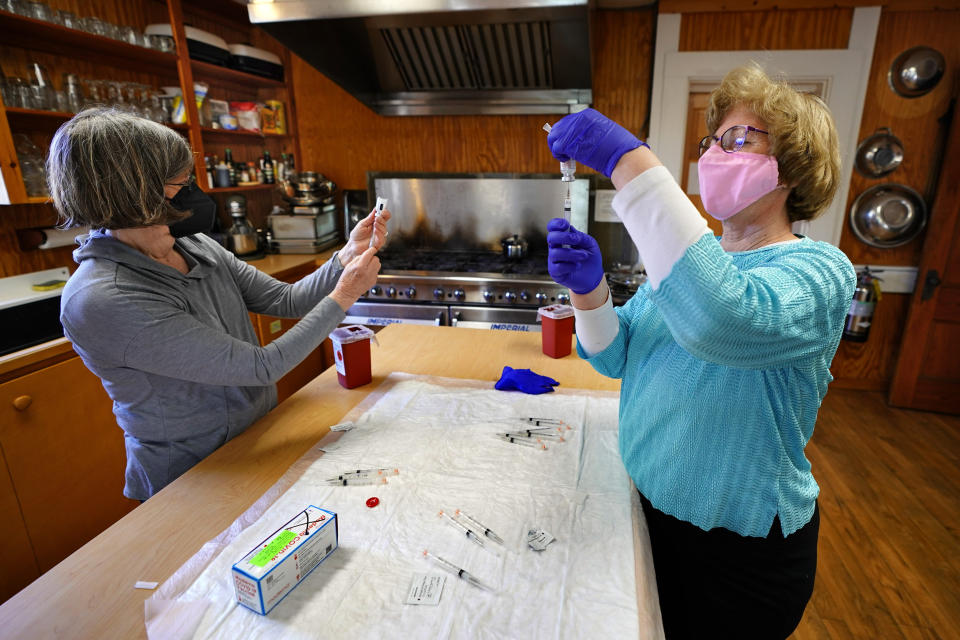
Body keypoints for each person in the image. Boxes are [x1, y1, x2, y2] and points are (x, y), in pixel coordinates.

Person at [545, 65, 856, 638]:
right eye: (712, 141)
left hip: (737, 555)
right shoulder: (696, 260)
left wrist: (627, 160)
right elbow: (616, 356)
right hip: (644, 513)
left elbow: (724, 321)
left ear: (793, 165)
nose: (716, 152)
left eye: (740, 139)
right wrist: (588, 291)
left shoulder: (819, 268)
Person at [48, 108, 388, 502]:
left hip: (259, 436)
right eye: (177, 184)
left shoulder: (191, 243)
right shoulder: (104, 298)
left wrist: (344, 257)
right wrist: (344, 295)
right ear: (136, 194)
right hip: (193, 475)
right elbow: (260, 367)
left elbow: (284, 299)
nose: (190, 191)